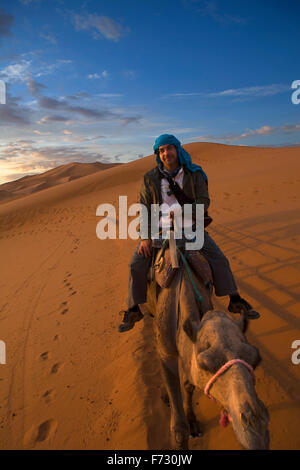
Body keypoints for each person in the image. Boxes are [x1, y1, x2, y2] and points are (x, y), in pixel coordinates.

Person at [118, 134, 258, 333]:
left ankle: (234, 299)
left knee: (218, 259)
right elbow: (144, 208)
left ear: (177, 149)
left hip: (191, 230)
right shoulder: (150, 178)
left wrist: (182, 211)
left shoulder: (195, 174)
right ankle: (133, 309)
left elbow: (204, 202)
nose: (166, 153)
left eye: (169, 148)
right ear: (158, 154)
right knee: (136, 263)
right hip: (161, 233)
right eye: (161, 150)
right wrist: (144, 237)